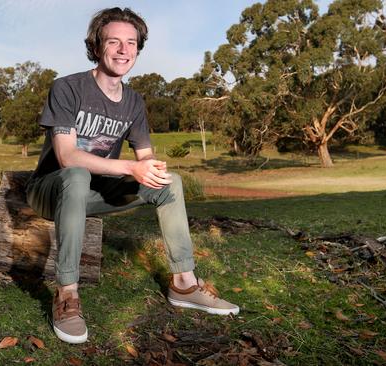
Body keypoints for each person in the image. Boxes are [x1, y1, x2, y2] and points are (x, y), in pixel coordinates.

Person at [26, 7, 239, 344]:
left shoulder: (134, 102)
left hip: (94, 194)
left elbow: (146, 159)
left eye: (132, 43)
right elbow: (66, 157)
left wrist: (149, 170)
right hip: (50, 190)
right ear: (97, 47)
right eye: (114, 42)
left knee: (171, 184)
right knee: (78, 175)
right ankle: (66, 294)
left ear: (138, 49)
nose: (124, 50)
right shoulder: (67, 88)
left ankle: (184, 284)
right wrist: (129, 167)